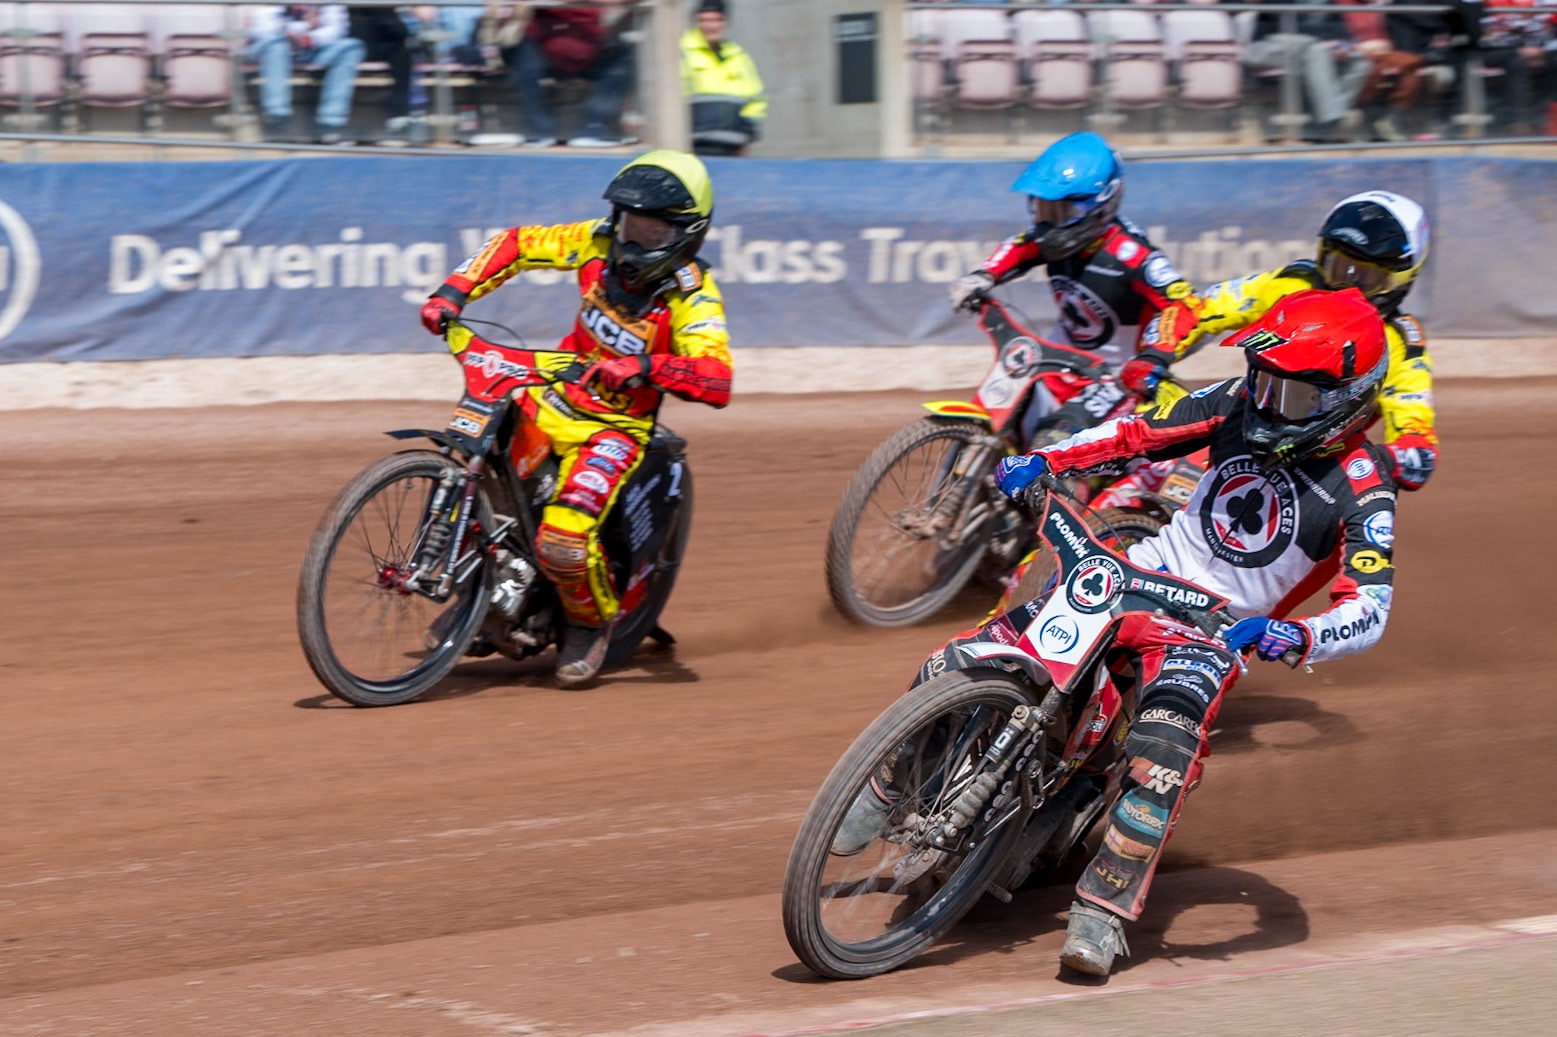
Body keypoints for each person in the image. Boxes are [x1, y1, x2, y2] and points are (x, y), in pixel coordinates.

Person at [898, 287, 1400, 976]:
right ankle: (888, 785)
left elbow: (1369, 608)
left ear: (1345, 398)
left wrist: (1297, 637)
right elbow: (1134, 432)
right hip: (1139, 571)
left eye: (1288, 393)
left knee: (1161, 753)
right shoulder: (1238, 398)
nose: (1264, 399)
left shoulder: (1364, 488)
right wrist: (1050, 459)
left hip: (1211, 628)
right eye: (1261, 378)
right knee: (966, 657)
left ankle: (1101, 914)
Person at [417, 151, 732, 686]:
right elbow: (517, 244)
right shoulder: (598, 241)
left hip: (615, 429)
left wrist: (644, 366)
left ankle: (588, 624)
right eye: (629, 223)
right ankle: (478, 592)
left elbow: (716, 376)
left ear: (687, 234)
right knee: (478, 456)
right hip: (556, 390)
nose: (632, 241)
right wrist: (454, 291)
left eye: (652, 231)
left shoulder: (692, 294)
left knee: (563, 538)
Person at [1144, 190, 1437, 490]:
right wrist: (1154, 354)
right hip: (1245, 424)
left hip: (1309, 476)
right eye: (1339, 268)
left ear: (1401, 280)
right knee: (1137, 413)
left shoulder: (1400, 342)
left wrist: (1390, 458)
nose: (1348, 285)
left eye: (1368, 277)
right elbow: (1202, 308)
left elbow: (1416, 432)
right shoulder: (1294, 284)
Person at [947, 132, 1200, 449]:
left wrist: (1155, 355)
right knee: (994, 426)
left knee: (1050, 444)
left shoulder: (1134, 255)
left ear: (1102, 204)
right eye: (1044, 210)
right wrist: (983, 276)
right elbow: (1020, 246)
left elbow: (1187, 306)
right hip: (1052, 362)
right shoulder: (1051, 240)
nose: (1050, 225)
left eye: (1063, 212)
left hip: (1113, 378)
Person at [495, 0, 635, 147]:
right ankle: (539, 131)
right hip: (544, 54)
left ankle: (594, 125)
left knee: (622, 58)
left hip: (588, 54)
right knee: (524, 60)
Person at [248, 5, 365, 144]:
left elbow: (338, 29)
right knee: (277, 45)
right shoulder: (273, 8)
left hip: (312, 49)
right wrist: (299, 23)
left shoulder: (329, 6)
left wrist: (309, 37)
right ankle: (276, 119)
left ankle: (330, 125)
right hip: (272, 49)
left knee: (351, 46)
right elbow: (261, 30)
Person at [681, 0, 767, 156]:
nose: (710, 26)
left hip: (732, 149)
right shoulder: (683, 52)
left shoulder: (738, 56)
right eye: (704, 20)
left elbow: (755, 98)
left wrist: (748, 130)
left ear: (725, 22)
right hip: (695, 148)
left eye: (716, 20)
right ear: (696, 23)